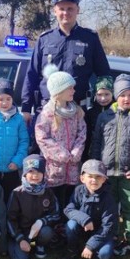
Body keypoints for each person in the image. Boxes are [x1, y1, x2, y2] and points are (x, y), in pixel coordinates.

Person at [21, 0, 110, 125]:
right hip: (47, 111)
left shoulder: (90, 38)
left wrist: (103, 99)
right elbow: (31, 75)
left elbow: (104, 74)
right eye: (61, 9)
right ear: (54, 11)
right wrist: (26, 108)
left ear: (77, 10)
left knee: (78, 147)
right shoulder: (45, 39)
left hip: (79, 112)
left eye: (70, 8)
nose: (65, 13)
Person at [90, 74, 130, 257]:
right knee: (109, 207)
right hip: (107, 173)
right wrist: (96, 169)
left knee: (129, 208)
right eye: (123, 95)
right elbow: (96, 144)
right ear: (116, 95)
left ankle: (129, 240)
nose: (126, 99)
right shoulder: (105, 116)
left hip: (128, 174)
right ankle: (112, 236)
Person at [34, 71, 86, 207]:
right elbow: (42, 137)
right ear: (59, 91)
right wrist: (60, 153)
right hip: (54, 167)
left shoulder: (76, 111)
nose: (73, 91)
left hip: (72, 165)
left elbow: (82, 133)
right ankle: (55, 222)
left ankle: (68, 223)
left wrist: (76, 151)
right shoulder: (47, 113)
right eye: (70, 88)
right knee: (54, 198)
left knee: (70, 197)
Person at [6, 154, 61, 259]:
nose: (35, 175)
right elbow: (10, 218)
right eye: (31, 172)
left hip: (39, 230)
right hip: (21, 231)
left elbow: (56, 213)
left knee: (47, 232)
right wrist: (20, 238)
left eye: (38, 172)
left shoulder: (48, 192)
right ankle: (15, 243)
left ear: (43, 174)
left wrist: (42, 221)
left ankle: (40, 245)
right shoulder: (17, 193)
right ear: (25, 174)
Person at [62, 159, 117, 259]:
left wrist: (90, 246)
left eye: (98, 177)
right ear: (82, 178)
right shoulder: (78, 190)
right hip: (84, 228)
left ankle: (93, 250)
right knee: (71, 224)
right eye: (90, 176)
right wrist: (85, 220)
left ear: (104, 179)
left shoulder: (108, 198)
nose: (94, 180)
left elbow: (108, 226)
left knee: (104, 255)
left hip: (101, 232)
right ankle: (73, 250)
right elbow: (69, 209)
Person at [82, 76, 113, 162]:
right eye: (99, 95)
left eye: (107, 94)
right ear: (95, 94)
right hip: (92, 155)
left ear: (113, 94)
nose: (103, 98)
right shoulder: (90, 113)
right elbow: (86, 137)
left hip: (110, 155)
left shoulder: (116, 112)